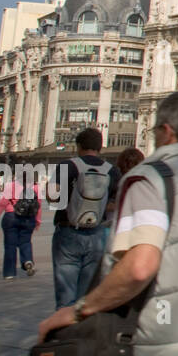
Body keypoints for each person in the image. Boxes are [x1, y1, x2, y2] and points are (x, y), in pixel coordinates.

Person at [36, 89, 178, 356]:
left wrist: (80, 310)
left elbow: (140, 267)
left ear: (167, 132)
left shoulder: (151, 180)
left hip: (169, 344)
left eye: (154, 130)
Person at [47, 127, 121, 307]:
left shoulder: (68, 165)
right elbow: (117, 202)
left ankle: (63, 329)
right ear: (100, 147)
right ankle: (79, 330)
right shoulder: (112, 171)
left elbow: (52, 195)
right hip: (96, 234)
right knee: (86, 297)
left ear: (78, 146)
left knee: (66, 293)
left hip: (68, 232)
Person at [0, 162, 42, 279]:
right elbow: (38, 205)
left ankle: (9, 273)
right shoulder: (36, 187)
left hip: (11, 216)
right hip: (29, 219)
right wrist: (38, 221)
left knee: (10, 245)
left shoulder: (12, 185)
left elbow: (2, 203)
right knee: (26, 242)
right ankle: (28, 260)